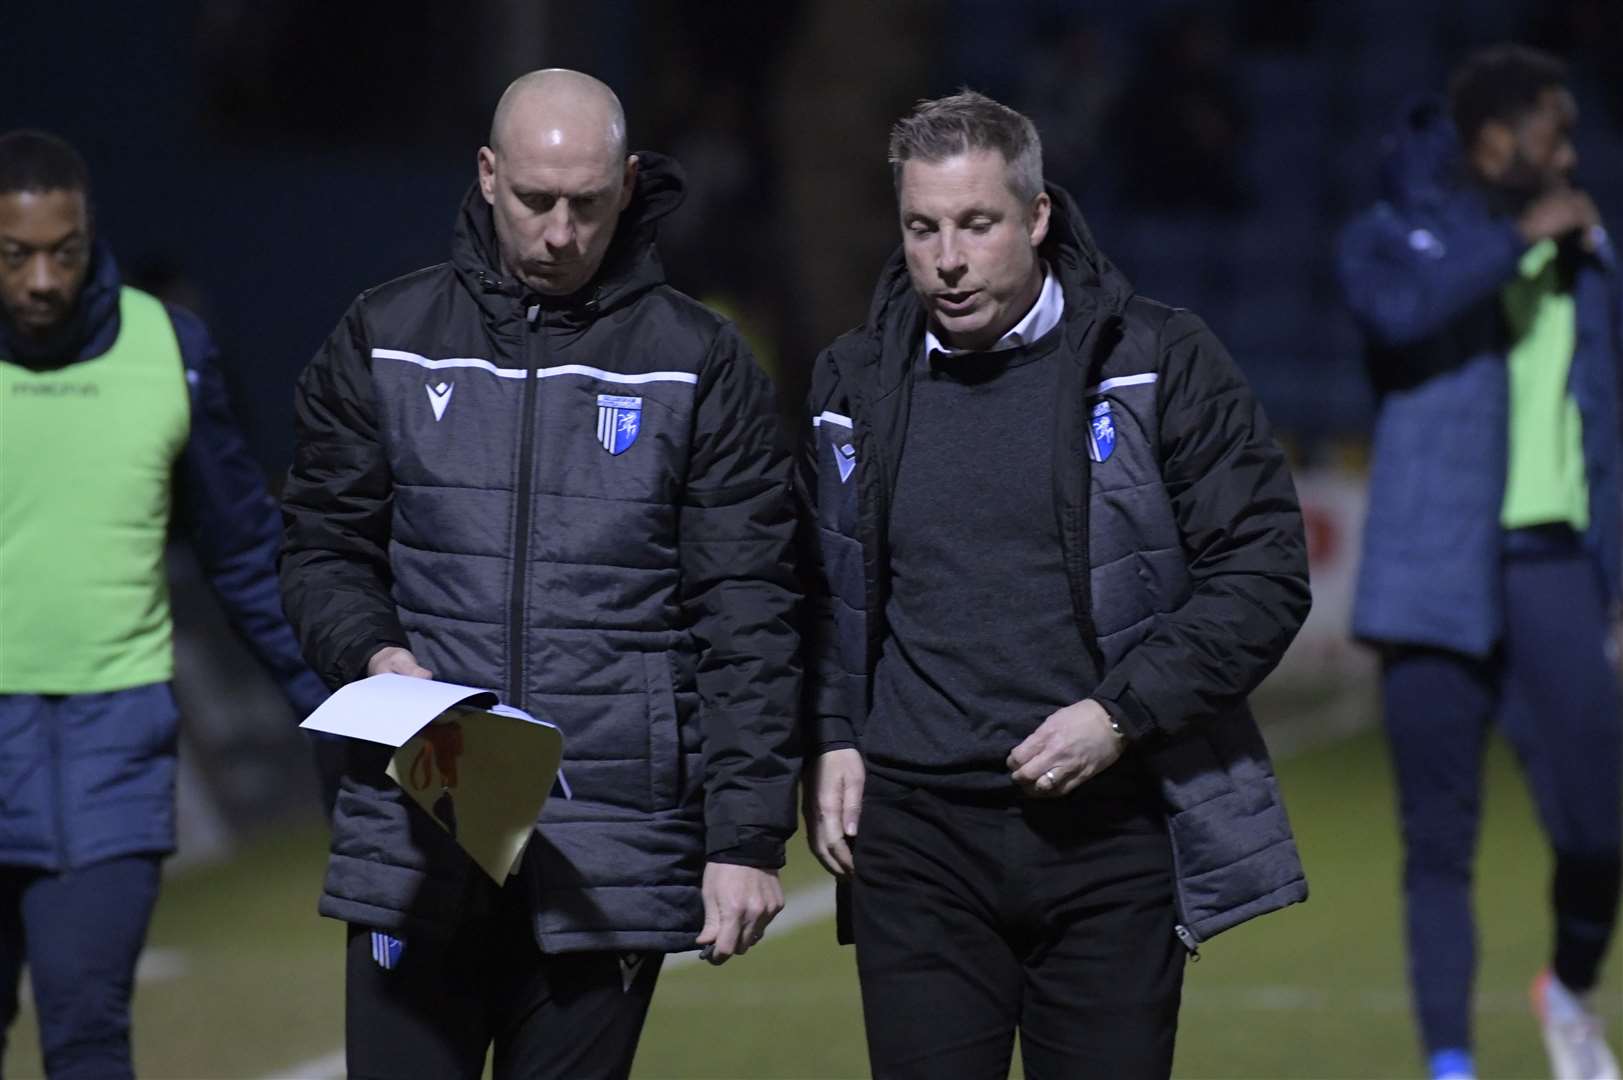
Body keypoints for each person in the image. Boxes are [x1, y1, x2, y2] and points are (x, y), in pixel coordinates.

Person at [279, 69, 800, 1080]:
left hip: (608, 849)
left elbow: (749, 614)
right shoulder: (385, 337)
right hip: (417, 831)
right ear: (485, 175)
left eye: (589, 204)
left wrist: (744, 839)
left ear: (629, 183)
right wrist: (377, 652)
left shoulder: (701, 363)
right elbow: (320, 550)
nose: (561, 233)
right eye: (535, 200)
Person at [799, 90, 1311, 1079]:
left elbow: (1262, 571)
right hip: (916, 843)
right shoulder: (852, 381)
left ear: (1036, 217)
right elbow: (819, 590)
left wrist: (1118, 717)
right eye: (923, 227)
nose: (947, 259)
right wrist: (830, 734)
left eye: (977, 225)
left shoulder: (1158, 360)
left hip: (1108, 841)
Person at [0, 129, 326, 1079]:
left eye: (62, 251)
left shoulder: (167, 351)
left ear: (90, 233)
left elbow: (245, 554)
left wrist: (338, 703)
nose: (41, 281)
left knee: (89, 1028)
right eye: (15, 256)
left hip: (112, 750)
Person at [1337, 45, 1622, 1080]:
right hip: (1431, 571)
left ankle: (1570, 989)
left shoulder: (1586, 249)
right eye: (1556, 131)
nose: (1572, 152)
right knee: (1440, 844)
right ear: (1497, 141)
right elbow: (1400, 317)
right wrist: (1517, 242)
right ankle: (1450, 1065)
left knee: (1600, 829)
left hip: (1552, 565)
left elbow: (1604, 423)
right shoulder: (1392, 236)